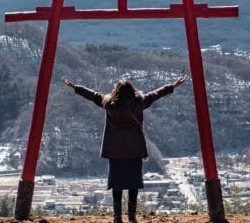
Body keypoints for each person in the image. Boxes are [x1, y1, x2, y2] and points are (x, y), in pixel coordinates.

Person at [63, 75, 187, 223]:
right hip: (134, 150)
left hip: (115, 151)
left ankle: (117, 217)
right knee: (133, 184)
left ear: (117, 92)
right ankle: (132, 217)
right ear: (132, 91)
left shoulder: (109, 104)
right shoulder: (139, 103)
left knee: (117, 184)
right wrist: (172, 85)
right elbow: (155, 94)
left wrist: (76, 87)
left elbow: (94, 96)